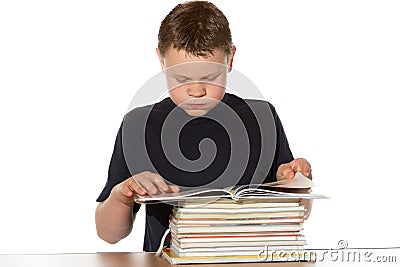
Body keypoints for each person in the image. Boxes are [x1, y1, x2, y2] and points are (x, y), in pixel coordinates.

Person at [95, 1, 312, 252]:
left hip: (250, 258)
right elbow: (108, 234)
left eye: (211, 77)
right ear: (161, 61)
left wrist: (297, 183)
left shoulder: (261, 117)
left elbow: (299, 214)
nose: (196, 91)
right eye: (181, 79)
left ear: (230, 59)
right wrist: (123, 194)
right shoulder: (139, 125)